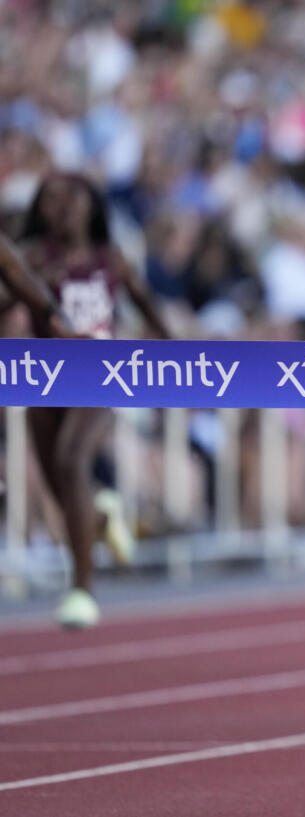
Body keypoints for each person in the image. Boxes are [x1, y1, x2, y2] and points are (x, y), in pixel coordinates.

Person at [0, 173, 169, 629]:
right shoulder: (31, 260)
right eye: (50, 200)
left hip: (102, 373)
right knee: (61, 489)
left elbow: (151, 310)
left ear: (92, 206)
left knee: (73, 459)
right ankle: (98, 512)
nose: (62, 209)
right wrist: (31, 296)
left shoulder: (111, 260)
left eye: (71, 198)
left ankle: (82, 589)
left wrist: (178, 364)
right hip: (47, 379)